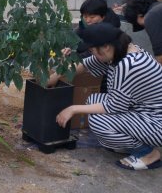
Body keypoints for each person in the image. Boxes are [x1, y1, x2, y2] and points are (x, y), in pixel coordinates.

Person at [49, 23, 162, 171]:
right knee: (94, 100)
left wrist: (73, 108)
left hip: (155, 122)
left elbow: (114, 106)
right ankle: (130, 143)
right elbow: (85, 65)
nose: (91, 53)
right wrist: (55, 76)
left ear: (106, 47)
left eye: (92, 50)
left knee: (99, 121)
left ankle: (148, 154)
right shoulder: (121, 50)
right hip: (142, 112)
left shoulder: (128, 64)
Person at [123, 0, 162, 64]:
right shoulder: (158, 7)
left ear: (139, 15)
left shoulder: (151, 17)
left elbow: (160, 56)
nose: (143, 26)